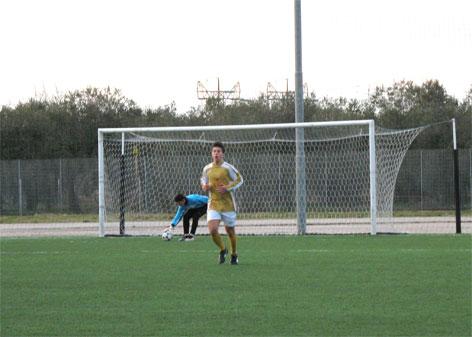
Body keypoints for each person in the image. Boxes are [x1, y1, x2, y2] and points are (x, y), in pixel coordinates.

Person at [201, 141, 243, 265]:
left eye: (218, 151)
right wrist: (204, 186)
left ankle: (234, 253)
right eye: (214, 151)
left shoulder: (228, 168)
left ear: (223, 154)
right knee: (213, 230)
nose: (216, 154)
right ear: (211, 153)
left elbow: (240, 180)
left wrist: (227, 188)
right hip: (213, 203)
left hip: (228, 204)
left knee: (230, 231)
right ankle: (223, 249)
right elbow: (203, 179)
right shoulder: (207, 168)